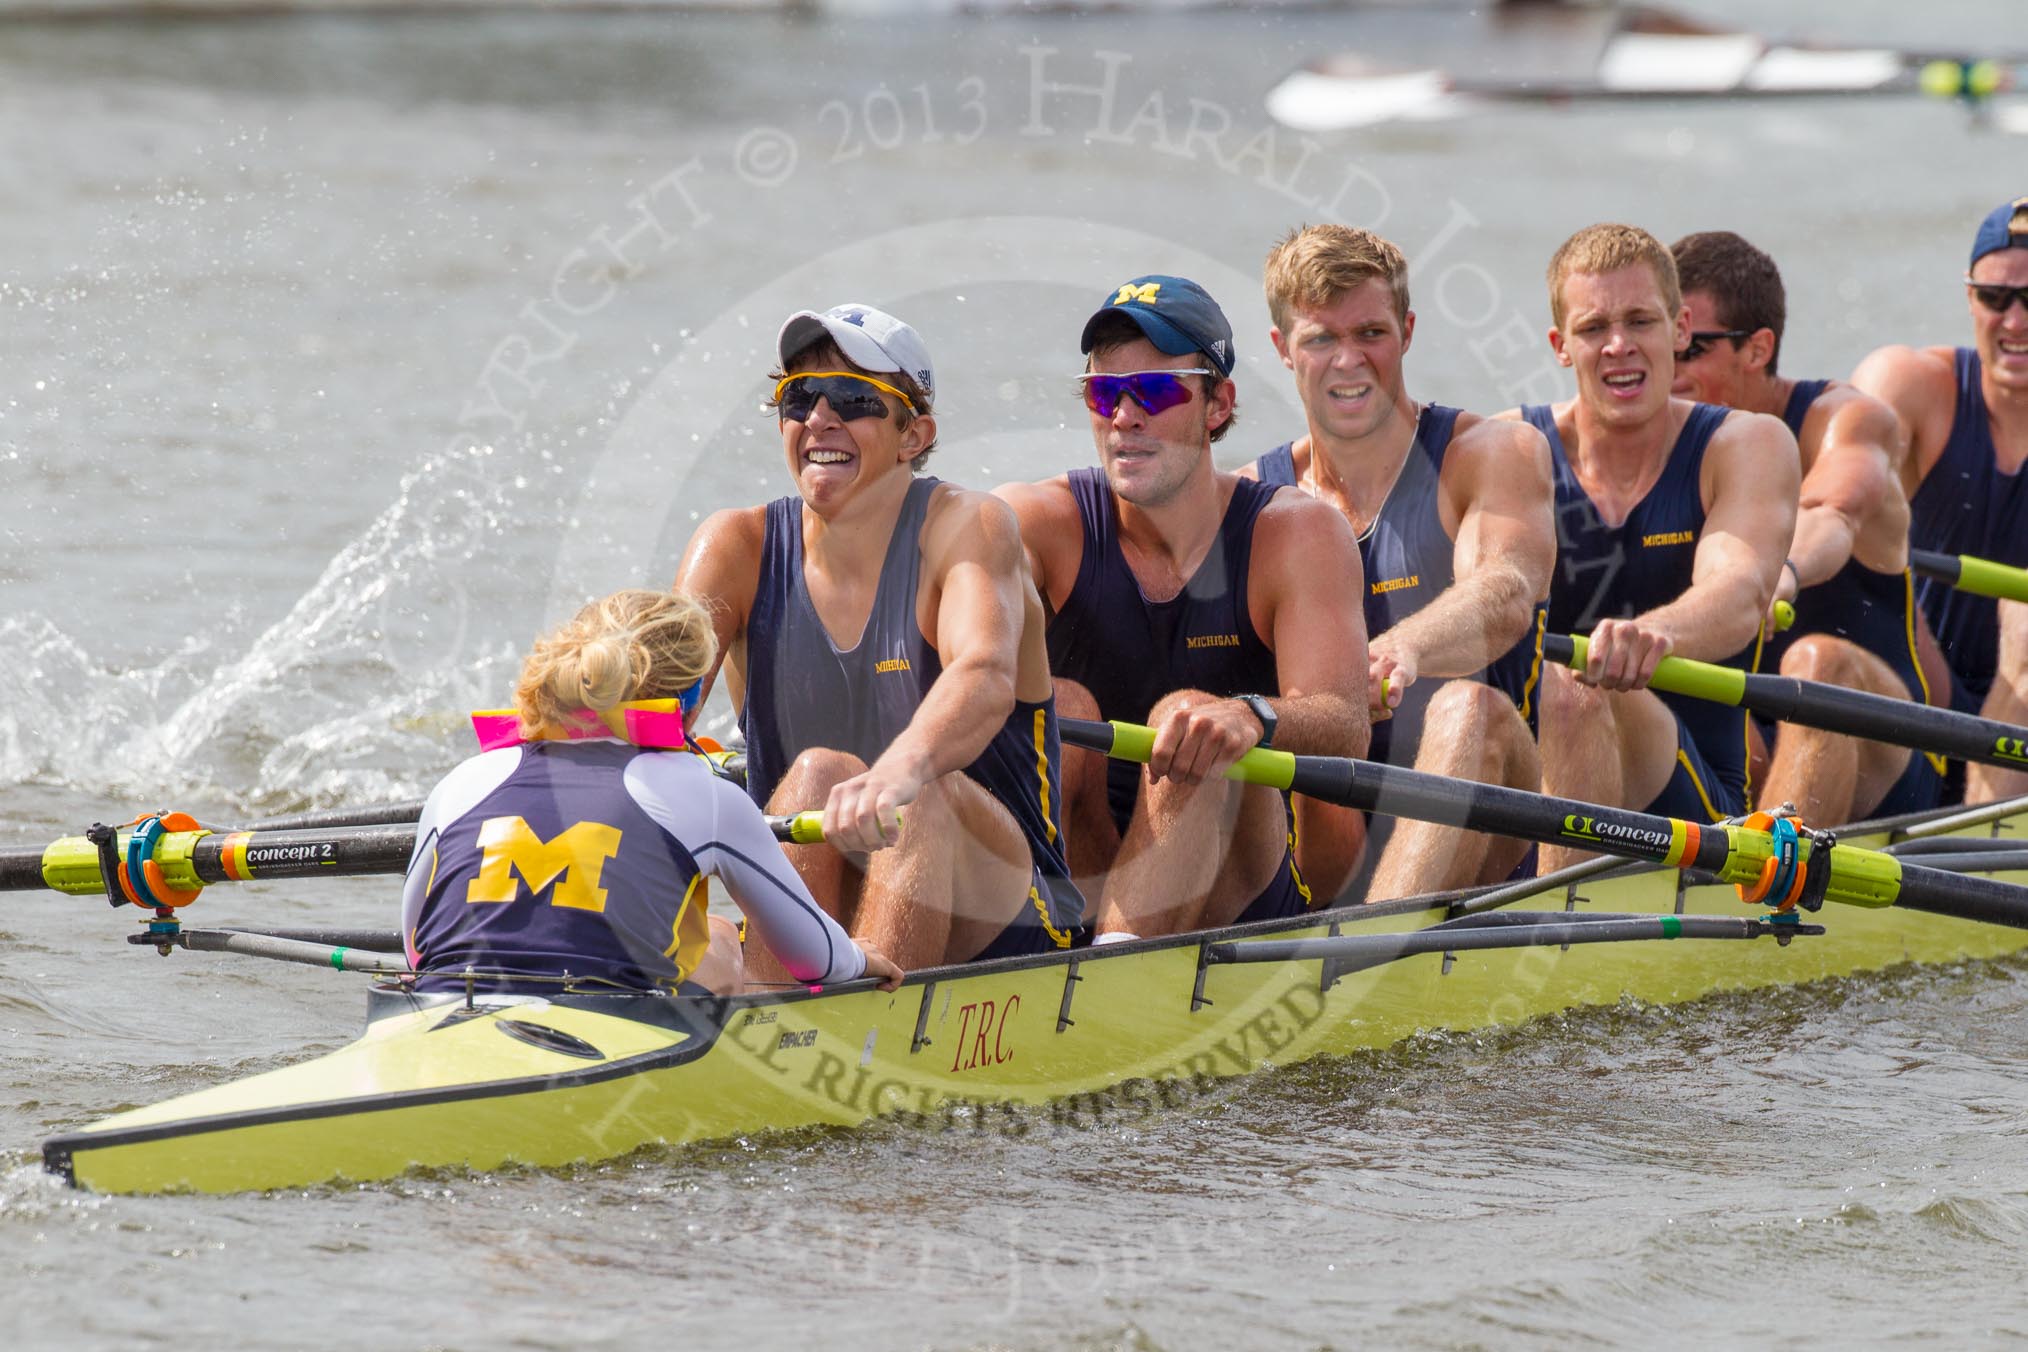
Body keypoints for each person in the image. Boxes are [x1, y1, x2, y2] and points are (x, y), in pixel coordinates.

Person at [675, 304, 1083, 973]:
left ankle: (852, 1037)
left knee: (915, 792)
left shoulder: (969, 527)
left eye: (855, 399)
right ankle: (786, 1013)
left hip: (1004, 913)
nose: (820, 419)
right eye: (799, 397)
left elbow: (982, 675)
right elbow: (654, 702)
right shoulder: (737, 546)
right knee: (817, 775)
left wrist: (903, 767)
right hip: (824, 893)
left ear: (914, 435)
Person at [997, 274, 1369, 939]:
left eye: (1157, 391)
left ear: (1218, 404)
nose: (1125, 416)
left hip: (1240, 878)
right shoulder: (1039, 522)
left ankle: (1115, 973)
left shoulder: (1295, 534)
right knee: (1062, 704)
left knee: (1187, 718)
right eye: (1105, 392)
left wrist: (1246, 715)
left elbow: (1344, 720)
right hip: (1084, 859)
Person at [1242, 224, 1554, 897]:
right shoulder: (1250, 499)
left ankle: (1370, 952)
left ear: (1407, 332)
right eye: (1321, 339)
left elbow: (1505, 591)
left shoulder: (1493, 453)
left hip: (1485, 830)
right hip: (1326, 830)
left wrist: (1401, 650)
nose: (1348, 361)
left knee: (1466, 707)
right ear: (1282, 349)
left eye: (1371, 335)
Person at [401, 589, 902, 996]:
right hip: (605, 1027)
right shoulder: (707, 796)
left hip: (445, 1004)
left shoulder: (464, 780)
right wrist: (859, 957)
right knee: (722, 939)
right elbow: (815, 960)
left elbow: (416, 948)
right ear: (688, 700)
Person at [1498, 224, 1798, 866]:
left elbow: (1739, 592)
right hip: (1540, 781)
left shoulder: (1747, 443)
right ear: (1559, 345)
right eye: (1592, 328)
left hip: (1701, 810)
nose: (1618, 347)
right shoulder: (1505, 448)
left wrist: (1651, 635)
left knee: (1573, 690)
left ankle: (1556, 940)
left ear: (1680, 328)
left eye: (1640, 321)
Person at [1668, 230, 1940, 824]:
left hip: (1886, 756)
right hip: (1746, 743)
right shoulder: (1652, 447)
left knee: (1818, 664)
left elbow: (1829, 513)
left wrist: (1777, 575)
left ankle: (1771, 894)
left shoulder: (1843, 421)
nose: (1666, 368)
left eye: (1691, 349)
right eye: (1661, 341)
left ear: (1758, 348)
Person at [1853, 196, 2028, 804]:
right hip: (1919, 692)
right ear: (1968, 297)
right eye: (1996, 298)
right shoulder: (1912, 384)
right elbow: (1841, 493)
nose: (2015, 322)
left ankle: (1979, 861)